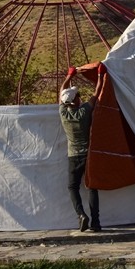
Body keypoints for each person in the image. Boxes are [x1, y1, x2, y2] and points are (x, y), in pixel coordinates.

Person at [59, 66, 100, 232]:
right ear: (76, 101)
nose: (80, 98)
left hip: (73, 156)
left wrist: (69, 76)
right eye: (78, 96)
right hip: (88, 155)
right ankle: (96, 223)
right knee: (91, 187)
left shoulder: (63, 114)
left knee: (72, 187)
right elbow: (96, 95)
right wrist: (100, 77)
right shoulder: (84, 111)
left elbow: (61, 94)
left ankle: (81, 214)